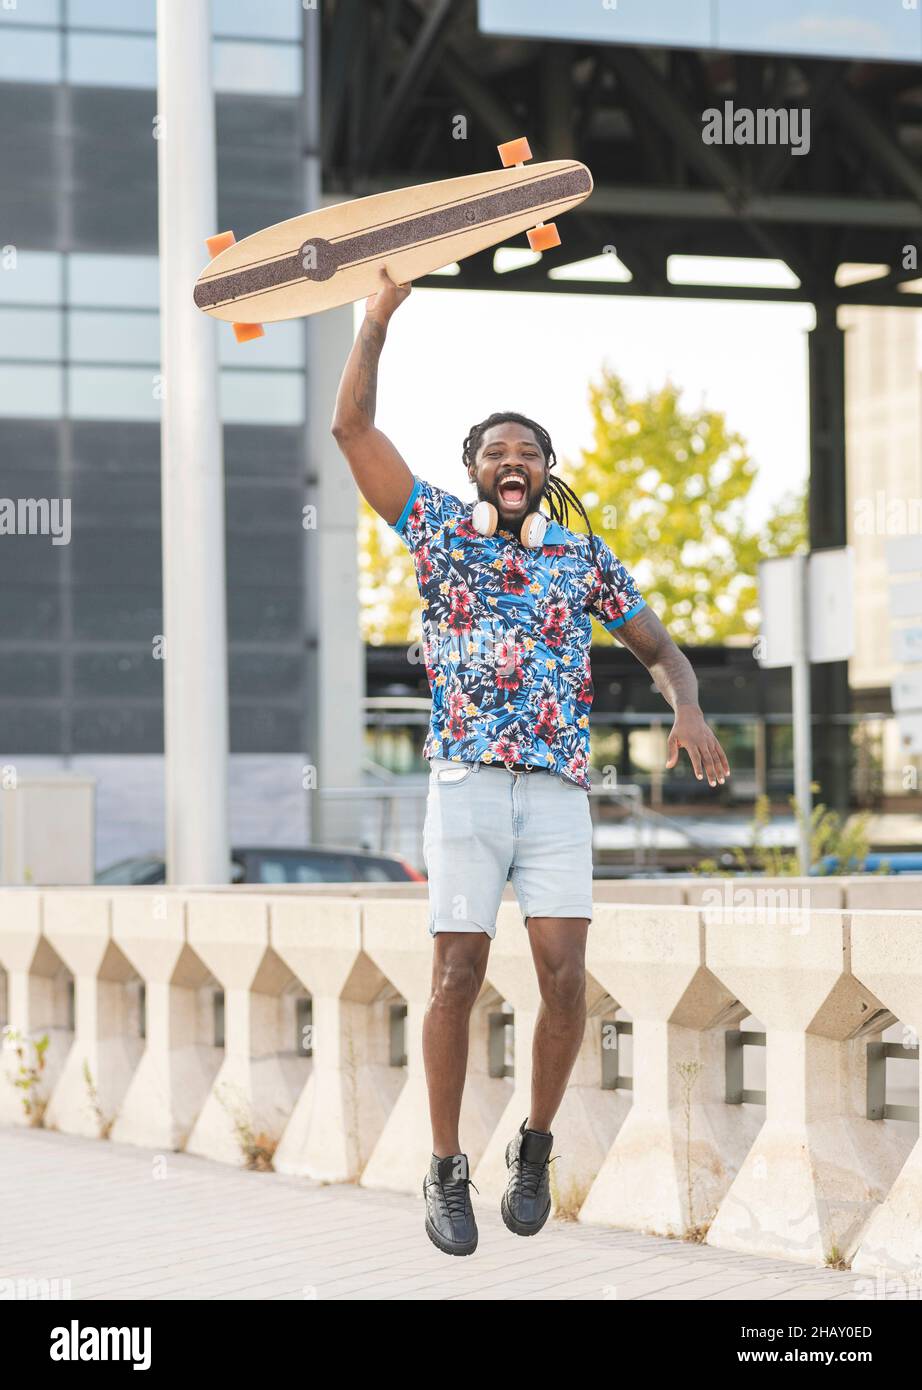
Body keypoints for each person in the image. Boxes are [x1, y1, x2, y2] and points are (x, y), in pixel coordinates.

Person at [331, 267, 731, 1258]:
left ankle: (534, 1146)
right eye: (494, 450)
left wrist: (688, 705)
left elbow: (660, 648)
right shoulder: (433, 532)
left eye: (528, 450)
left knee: (562, 984)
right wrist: (376, 320)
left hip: (554, 792)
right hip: (465, 784)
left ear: (545, 471)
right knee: (455, 975)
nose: (512, 459)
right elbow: (351, 431)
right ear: (473, 474)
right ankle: (443, 1166)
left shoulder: (583, 558)